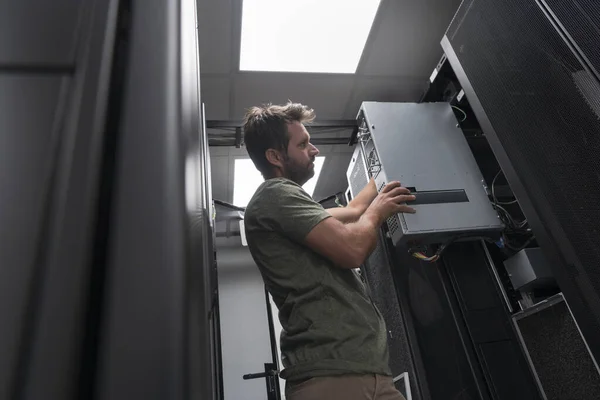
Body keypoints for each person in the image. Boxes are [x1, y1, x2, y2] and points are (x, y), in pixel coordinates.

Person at [242, 102, 416, 400]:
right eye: (303, 144)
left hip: (364, 370)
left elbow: (352, 209)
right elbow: (352, 249)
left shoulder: (287, 205)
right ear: (275, 157)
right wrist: (377, 213)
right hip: (331, 376)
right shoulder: (276, 194)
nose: (314, 150)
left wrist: (390, 159)